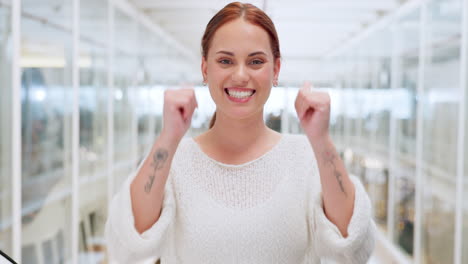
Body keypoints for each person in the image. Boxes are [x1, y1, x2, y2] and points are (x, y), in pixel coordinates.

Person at [105, 2, 375, 263]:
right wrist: (168, 137)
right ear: (204, 68)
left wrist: (321, 141)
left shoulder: (305, 157)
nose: (241, 75)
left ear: (276, 69)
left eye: (256, 62)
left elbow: (354, 247)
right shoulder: (174, 159)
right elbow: (126, 246)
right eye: (225, 61)